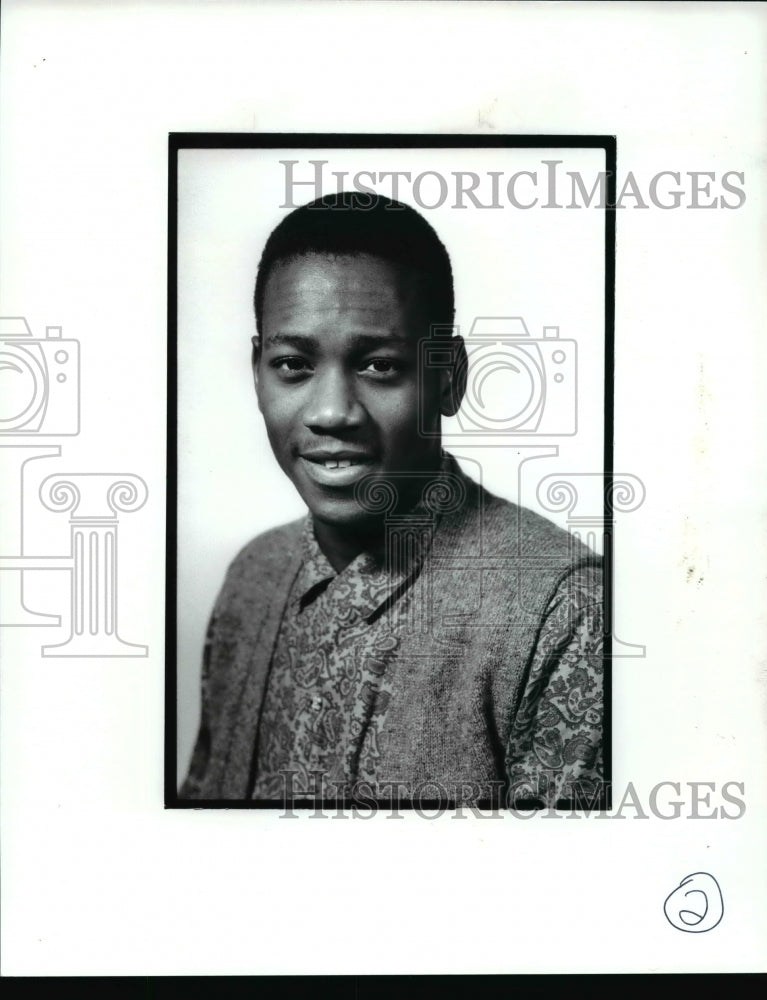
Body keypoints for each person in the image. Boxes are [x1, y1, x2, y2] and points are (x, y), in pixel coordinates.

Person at [180, 192, 604, 808]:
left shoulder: (562, 611)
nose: (331, 412)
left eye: (379, 366)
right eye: (293, 364)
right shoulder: (253, 576)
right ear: (257, 371)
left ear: (449, 378)